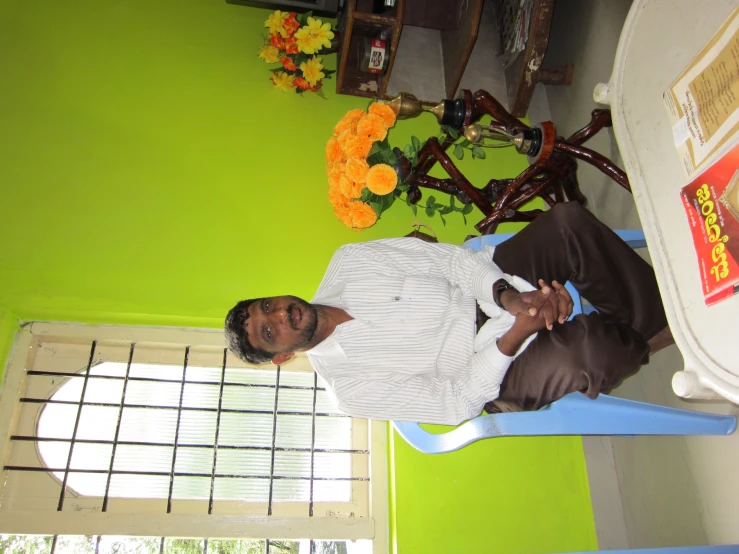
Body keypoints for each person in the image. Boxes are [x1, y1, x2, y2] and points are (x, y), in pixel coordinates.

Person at [224, 203, 673, 425]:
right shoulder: (349, 390)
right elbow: (455, 401)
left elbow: (452, 262)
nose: (281, 314)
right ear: (281, 356)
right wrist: (515, 333)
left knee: (567, 223)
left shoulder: (349, 261)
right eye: (269, 331)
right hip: (493, 368)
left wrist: (509, 299)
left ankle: (661, 322)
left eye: (269, 305)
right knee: (587, 352)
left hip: (485, 290)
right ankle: (640, 336)